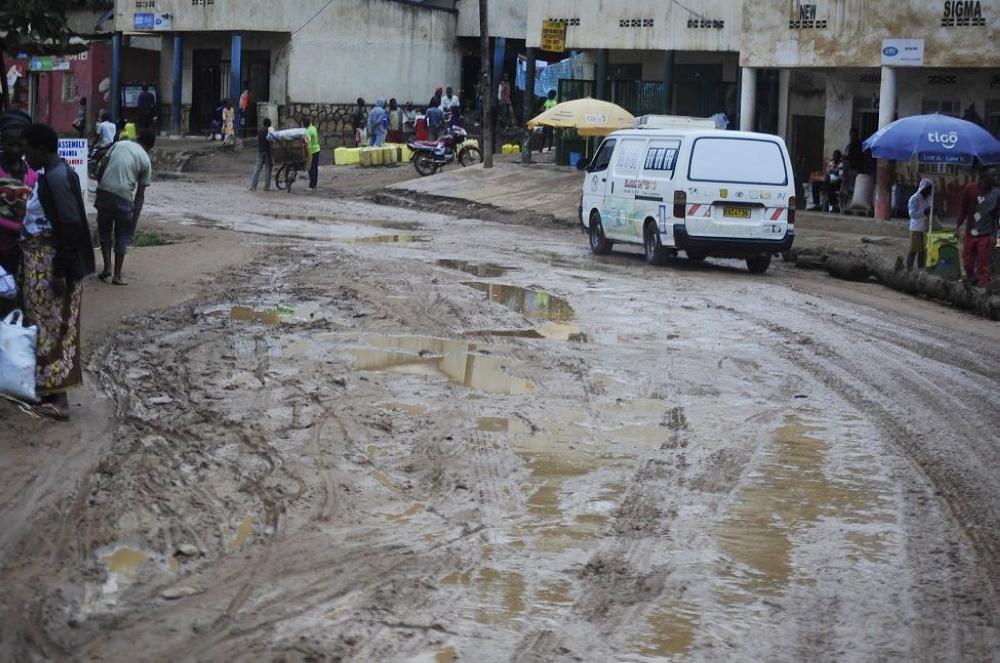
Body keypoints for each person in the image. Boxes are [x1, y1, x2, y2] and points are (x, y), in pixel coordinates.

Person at [22, 123, 96, 419]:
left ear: (41, 149)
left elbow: (70, 226)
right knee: (47, 327)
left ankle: (60, 399)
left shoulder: (56, 178)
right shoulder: (54, 174)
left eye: (28, 150)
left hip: (54, 266)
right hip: (47, 263)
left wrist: (59, 272)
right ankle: (49, 392)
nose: (25, 157)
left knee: (54, 328)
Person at [95, 130, 153, 286]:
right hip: (124, 197)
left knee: (105, 231)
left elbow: (102, 165)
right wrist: (133, 221)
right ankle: (117, 276)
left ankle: (107, 267)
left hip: (104, 191)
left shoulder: (119, 144)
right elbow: (140, 196)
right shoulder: (146, 160)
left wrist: (100, 186)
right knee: (122, 234)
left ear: (138, 138)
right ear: (151, 147)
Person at [0, 111, 37, 290]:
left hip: (22, 250)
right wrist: (16, 228)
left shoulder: (32, 174)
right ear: (1, 143)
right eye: (10, 144)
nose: (15, 150)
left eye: (19, 145)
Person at [958, 173, 998, 288]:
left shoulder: (996, 194)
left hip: (985, 234)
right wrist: (957, 226)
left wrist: (995, 235)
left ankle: (982, 287)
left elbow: (997, 216)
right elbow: (963, 208)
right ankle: (972, 280)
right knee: (967, 262)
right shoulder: (969, 189)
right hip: (970, 232)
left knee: (982, 264)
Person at [906, 178, 933, 271]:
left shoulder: (928, 199)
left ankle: (921, 269)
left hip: (925, 228)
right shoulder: (914, 198)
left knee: (922, 250)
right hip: (916, 228)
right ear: (923, 188)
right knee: (913, 249)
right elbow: (912, 214)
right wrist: (924, 212)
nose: (929, 192)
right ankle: (909, 268)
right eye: (928, 189)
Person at [249, 118, 273, 192]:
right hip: (267, 152)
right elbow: (270, 143)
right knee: (268, 169)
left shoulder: (259, 131)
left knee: (257, 169)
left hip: (260, 151)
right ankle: (266, 187)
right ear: (269, 125)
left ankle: (253, 186)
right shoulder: (269, 132)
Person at [302, 117, 320, 192]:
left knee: (310, 168)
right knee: (315, 168)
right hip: (317, 150)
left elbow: (308, 144)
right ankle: (314, 184)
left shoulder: (307, 132)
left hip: (311, 151)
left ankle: (311, 186)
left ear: (305, 124)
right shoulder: (313, 128)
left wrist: (307, 153)